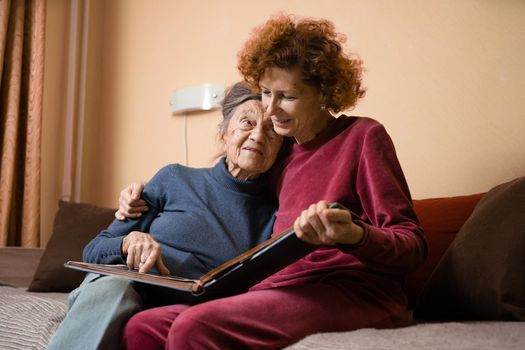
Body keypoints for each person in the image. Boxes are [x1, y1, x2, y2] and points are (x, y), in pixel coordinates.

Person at [120, 14, 428, 350]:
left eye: (287, 97)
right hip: (277, 290)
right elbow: (227, 187)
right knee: (144, 326)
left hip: (353, 292)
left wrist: (354, 235)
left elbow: (412, 246)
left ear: (323, 91)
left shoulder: (363, 137)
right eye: (266, 92)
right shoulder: (282, 158)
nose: (270, 110)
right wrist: (138, 200)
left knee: (193, 327)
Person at [46, 82, 283, 350]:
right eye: (247, 122)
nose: (258, 136)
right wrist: (128, 242)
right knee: (113, 288)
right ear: (225, 134)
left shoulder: (274, 214)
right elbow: (93, 251)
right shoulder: (174, 178)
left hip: (184, 308)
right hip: (124, 286)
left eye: (272, 130)